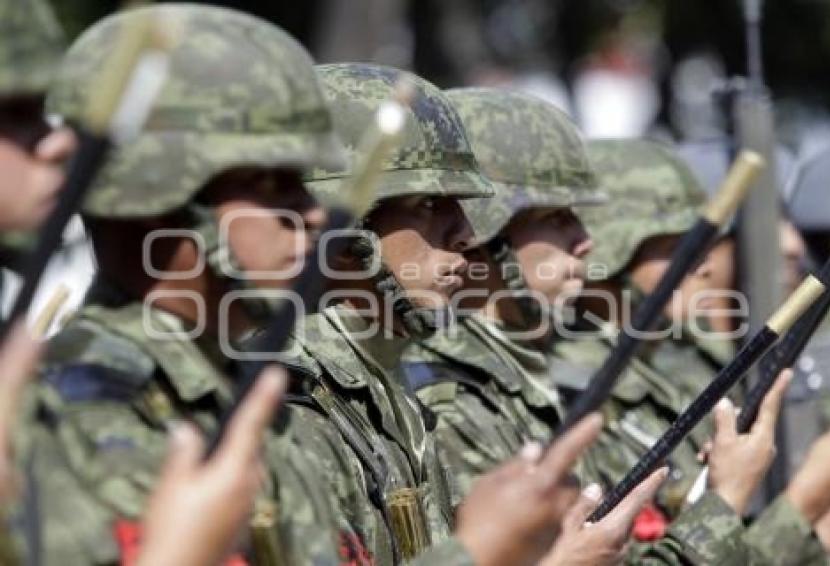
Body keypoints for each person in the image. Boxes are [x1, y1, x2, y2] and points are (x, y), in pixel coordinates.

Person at [22, 5, 353, 564]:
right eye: (267, 182)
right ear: (156, 194)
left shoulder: (243, 385)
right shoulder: (84, 418)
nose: (312, 213)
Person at [283, 64, 610, 565]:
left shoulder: (385, 396)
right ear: (344, 229)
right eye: (425, 205)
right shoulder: (293, 413)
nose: (464, 234)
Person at [564, 138, 830, 565]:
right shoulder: (576, 402)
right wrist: (805, 502)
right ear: (609, 251)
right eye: (678, 248)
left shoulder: (661, 373)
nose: (705, 266)